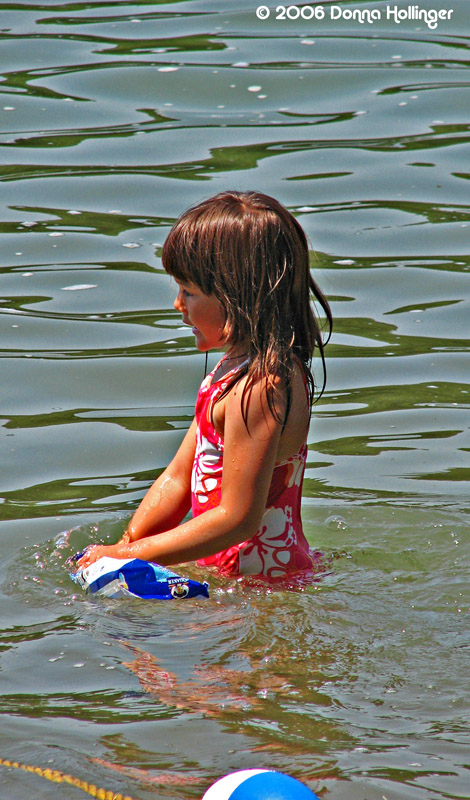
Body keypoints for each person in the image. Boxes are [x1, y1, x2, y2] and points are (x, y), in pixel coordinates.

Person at [76, 191, 332, 578]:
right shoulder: (229, 374)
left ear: (237, 296)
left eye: (189, 292)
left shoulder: (260, 388)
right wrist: (123, 546)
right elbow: (177, 478)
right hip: (231, 580)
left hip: (263, 589)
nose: (178, 304)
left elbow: (238, 520)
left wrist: (134, 556)